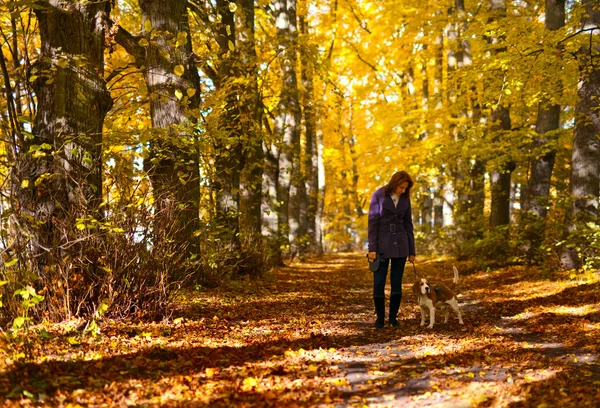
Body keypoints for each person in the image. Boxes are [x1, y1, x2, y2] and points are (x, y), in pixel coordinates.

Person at [367, 171, 416, 328]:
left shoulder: (406, 198)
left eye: (405, 188)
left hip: (401, 246)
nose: (403, 190)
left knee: (397, 283)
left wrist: (412, 250)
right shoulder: (378, 195)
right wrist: (372, 248)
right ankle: (380, 319)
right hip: (380, 247)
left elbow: (408, 224)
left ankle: (393, 318)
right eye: (401, 187)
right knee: (379, 282)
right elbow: (373, 223)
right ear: (395, 183)